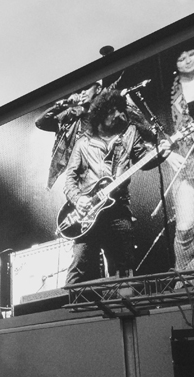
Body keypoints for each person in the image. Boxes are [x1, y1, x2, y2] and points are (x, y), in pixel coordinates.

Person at [63, 88, 171, 284]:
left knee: (124, 270)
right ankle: (73, 312)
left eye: (121, 111)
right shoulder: (83, 143)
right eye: (113, 111)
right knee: (79, 268)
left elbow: (143, 161)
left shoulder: (129, 133)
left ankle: (124, 311)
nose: (119, 115)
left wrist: (162, 153)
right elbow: (69, 179)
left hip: (118, 210)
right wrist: (79, 200)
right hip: (88, 215)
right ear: (101, 113)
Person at [36, 81, 103, 189]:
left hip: (87, 181)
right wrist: (64, 104)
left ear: (98, 90)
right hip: (63, 177)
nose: (82, 92)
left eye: (86, 88)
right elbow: (40, 123)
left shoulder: (102, 120)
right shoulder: (70, 115)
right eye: (80, 89)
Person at [170, 46, 194, 273]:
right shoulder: (173, 90)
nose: (188, 61)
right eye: (181, 58)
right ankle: (183, 275)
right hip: (187, 163)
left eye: (191, 55)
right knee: (185, 227)